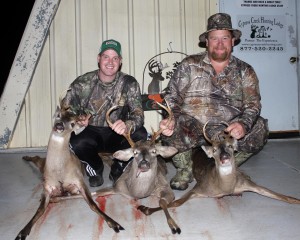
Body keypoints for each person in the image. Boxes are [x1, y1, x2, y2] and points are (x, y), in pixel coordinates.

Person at [159, 13, 269, 191]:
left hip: (227, 132)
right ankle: (185, 169)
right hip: (193, 128)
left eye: (225, 38)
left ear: (233, 41)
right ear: (207, 42)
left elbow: (252, 104)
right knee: (168, 128)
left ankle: (227, 164)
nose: (219, 43)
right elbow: (172, 96)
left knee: (260, 128)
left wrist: (243, 123)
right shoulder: (189, 65)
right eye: (214, 38)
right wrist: (170, 117)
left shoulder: (245, 70)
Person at [62, 39, 147, 187]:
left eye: (115, 58)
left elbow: (138, 114)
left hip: (118, 133)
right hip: (91, 132)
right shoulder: (82, 83)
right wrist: (77, 120)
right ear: (98, 58)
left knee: (140, 134)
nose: (110, 62)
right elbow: (65, 111)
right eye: (106, 56)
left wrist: (128, 124)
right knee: (74, 141)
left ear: (120, 61)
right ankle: (95, 168)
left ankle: (118, 167)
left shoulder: (129, 83)